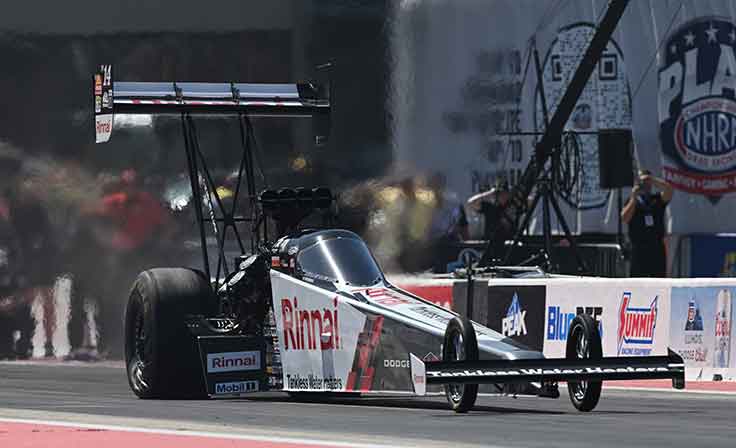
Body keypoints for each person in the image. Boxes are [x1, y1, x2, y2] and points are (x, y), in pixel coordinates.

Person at [621, 169, 673, 277]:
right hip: (639, 247)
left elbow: (669, 190)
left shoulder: (657, 199)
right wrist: (634, 197)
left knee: (658, 280)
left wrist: (652, 180)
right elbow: (625, 218)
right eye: (642, 182)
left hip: (656, 248)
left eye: (647, 182)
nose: (645, 184)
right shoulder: (632, 201)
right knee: (637, 280)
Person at [467, 182, 514, 262]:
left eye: (505, 194)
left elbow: (529, 202)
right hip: (490, 243)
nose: (503, 196)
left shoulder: (512, 206)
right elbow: (471, 202)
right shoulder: (490, 207)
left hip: (508, 244)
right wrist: (490, 193)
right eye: (501, 194)